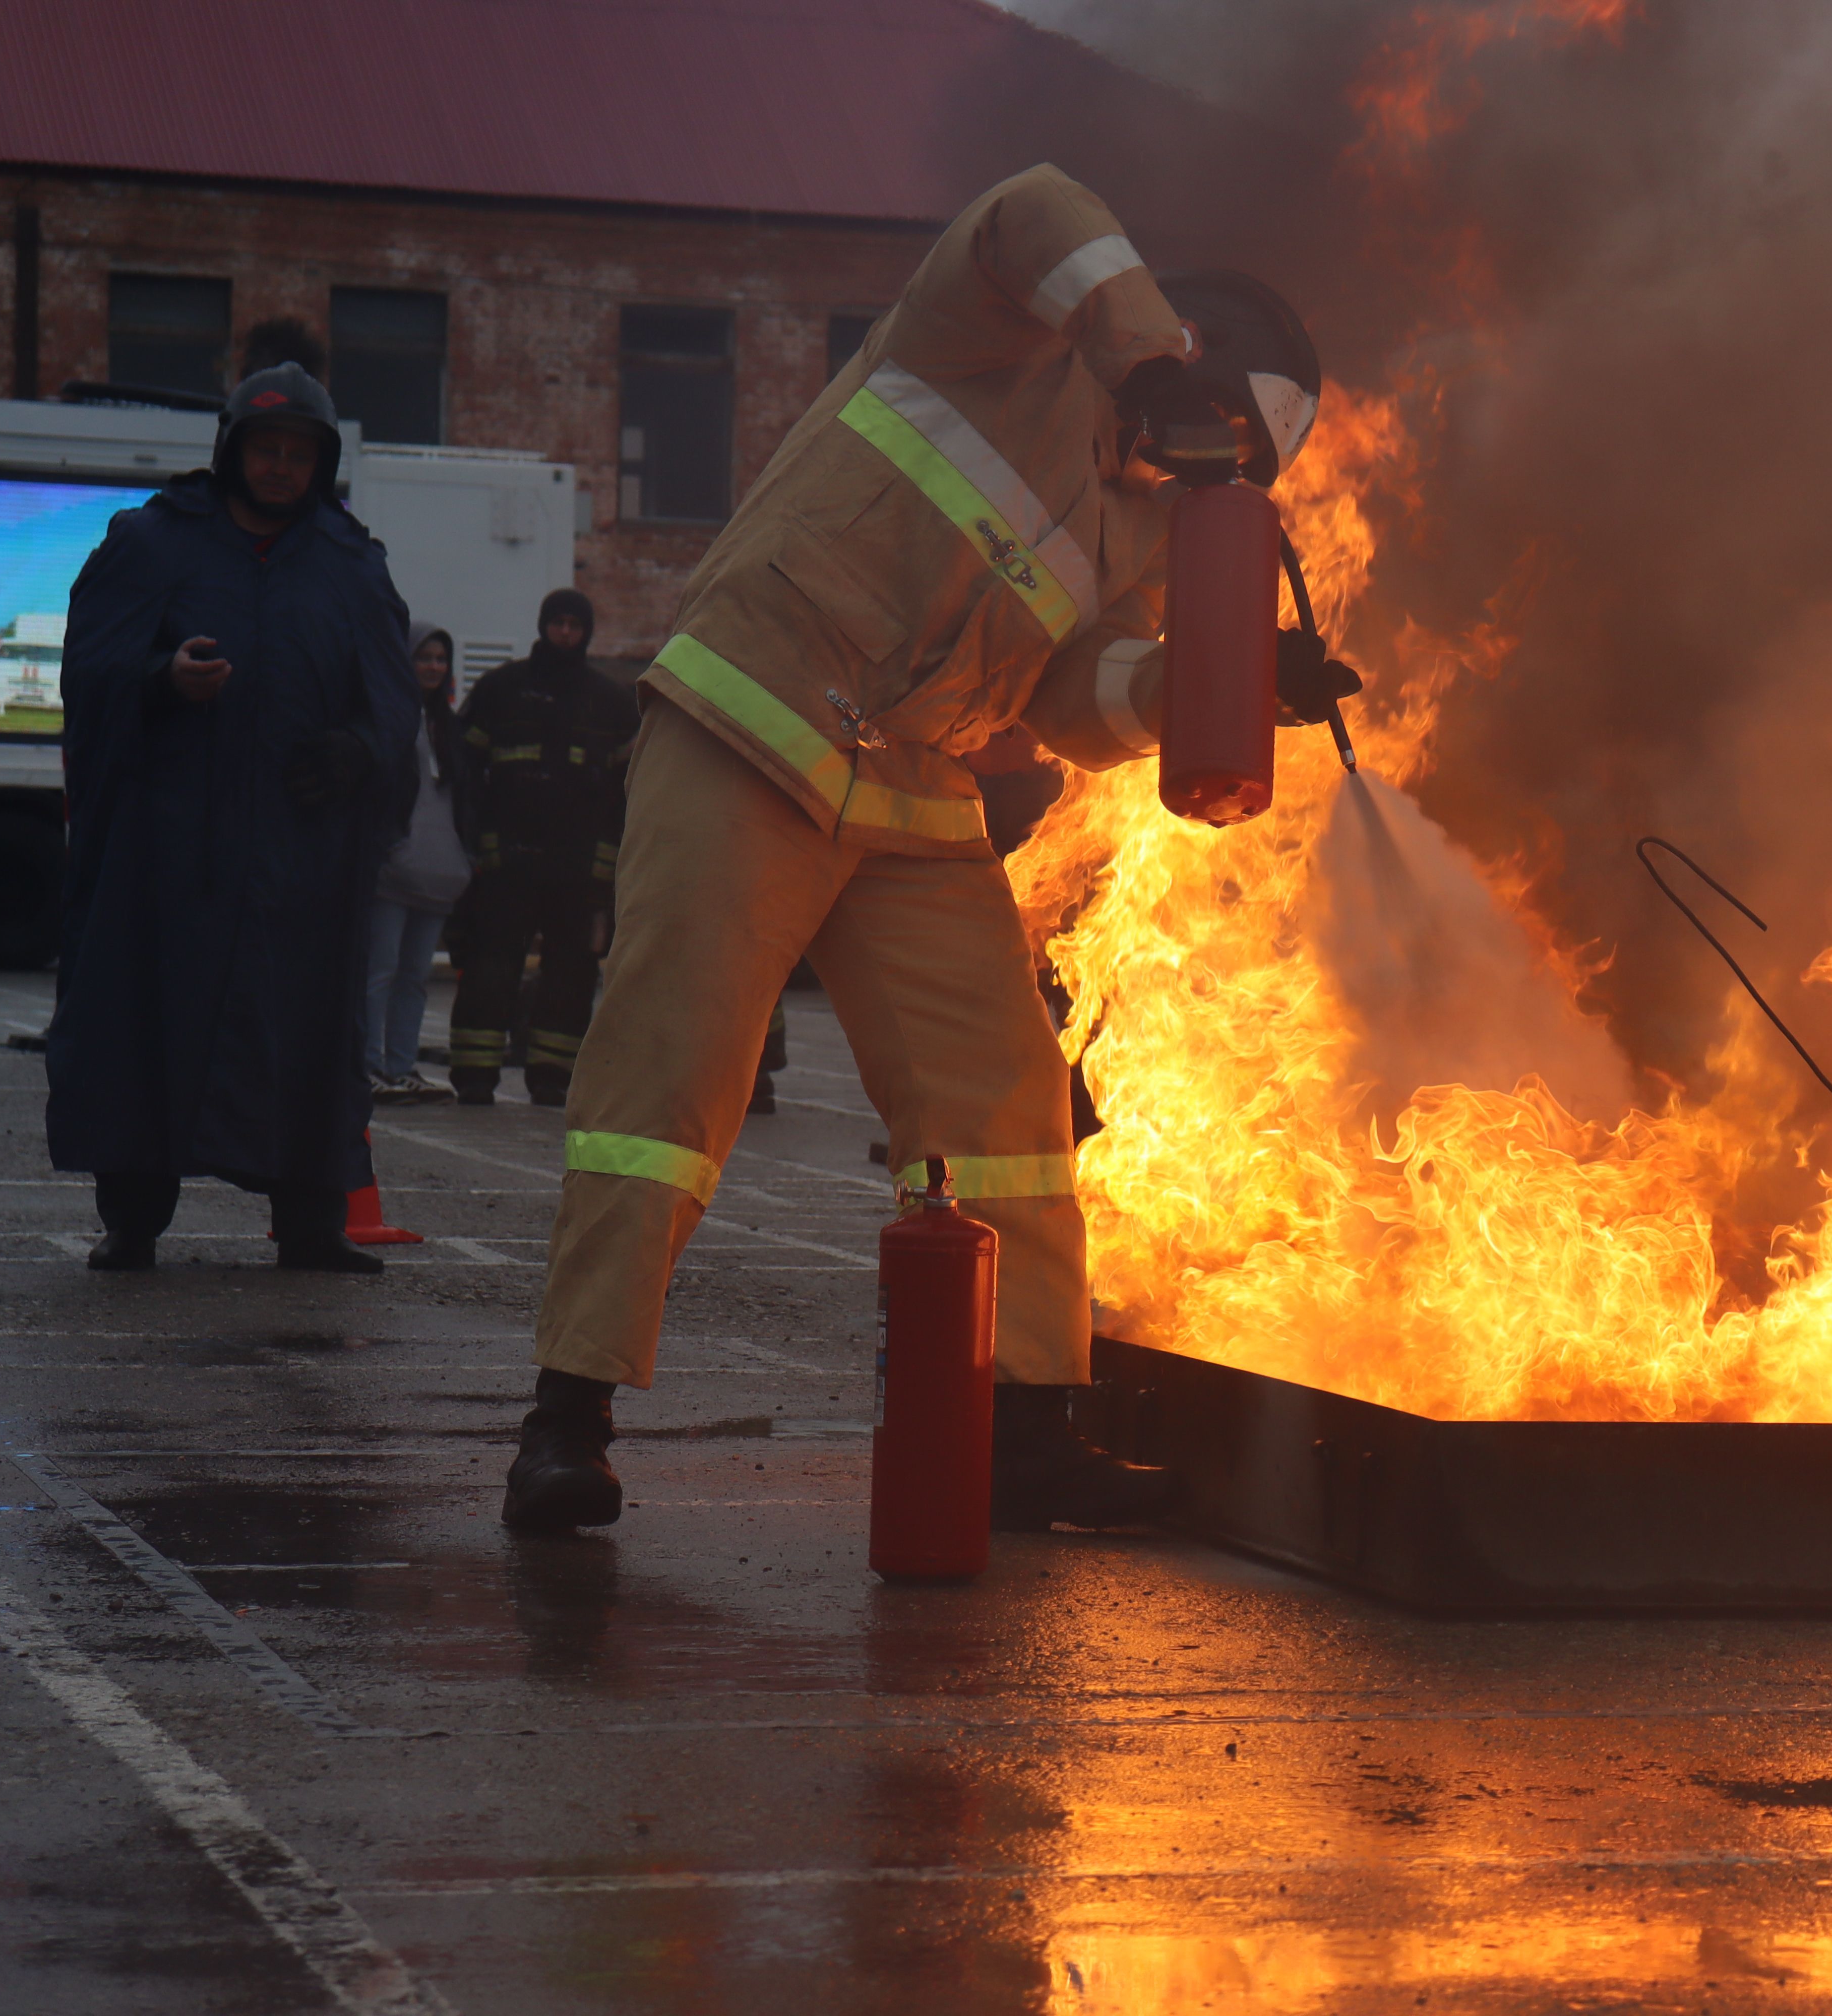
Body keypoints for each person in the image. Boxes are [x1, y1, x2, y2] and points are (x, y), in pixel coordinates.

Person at [500, 166, 1355, 1533]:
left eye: (1233, 469)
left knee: (1007, 1110)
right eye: (1211, 441)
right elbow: (1035, 205)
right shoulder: (996, 335)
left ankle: (1023, 1431)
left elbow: (1073, 700)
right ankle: (569, 1417)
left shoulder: (1146, 531)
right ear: (1181, 361)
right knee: (671, 1069)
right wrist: (1139, 356)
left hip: (913, 786)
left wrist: (1226, 684)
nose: (1203, 478)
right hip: (755, 718)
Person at [47, 363, 417, 1273]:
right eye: (266, 448)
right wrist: (160, 679)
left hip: (302, 857)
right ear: (232, 451)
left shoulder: (349, 564)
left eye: (299, 453)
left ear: (321, 464)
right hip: (165, 853)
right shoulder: (154, 542)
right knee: (145, 1020)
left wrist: (357, 751)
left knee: (308, 1030)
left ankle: (313, 1223)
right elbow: (89, 668)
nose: (281, 467)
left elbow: (393, 700)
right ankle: (133, 1220)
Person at [444, 589, 635, 1106]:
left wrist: (607, 864)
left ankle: (553, 1076)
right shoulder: (501, 689)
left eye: (575, 625)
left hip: (580, 871)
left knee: (572, 974)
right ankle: (475, 1072)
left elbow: (628, 793)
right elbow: (465, 776)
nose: (565, 634)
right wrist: (480, 845)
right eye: (558, 623)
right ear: (543, 625)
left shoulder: (612, 702)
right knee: (490, 967)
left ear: (587, 632)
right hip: (507, 862)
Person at [363, 620, 472, 1102]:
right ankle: (369, 1066)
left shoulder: (452, 726)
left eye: (440, 659)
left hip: (439, 871)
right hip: (394, 870)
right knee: (380, 971)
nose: (433, 667)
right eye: (424, 658)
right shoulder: (389, 717)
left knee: (415, 976)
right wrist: (388, 844)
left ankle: (402, 1065)